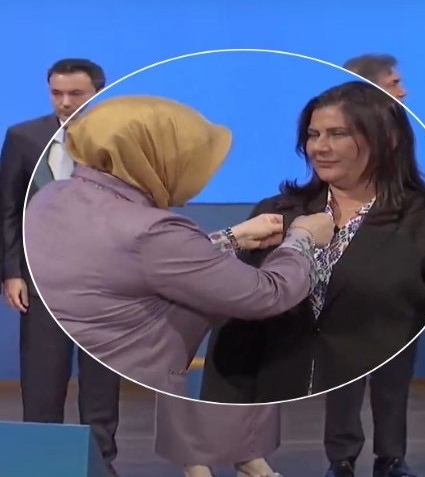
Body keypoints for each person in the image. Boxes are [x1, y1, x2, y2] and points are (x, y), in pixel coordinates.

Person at [22, 94, 335, 477]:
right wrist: (303, 238)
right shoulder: (152, 230)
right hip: (142, 351)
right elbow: (266, 294)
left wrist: (231, 238)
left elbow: (137, 262)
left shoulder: (55, 194)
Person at [199, 82, 425, 411]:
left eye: (338, 134)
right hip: (273, 405)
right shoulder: (276, 212)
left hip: (365, 404)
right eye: (313, 135)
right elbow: (238, 317)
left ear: (389, 139)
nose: (320, 147)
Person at [0, 58, 122, 475]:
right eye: (57, 93)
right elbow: (8, 209)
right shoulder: (23, 137)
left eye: (75, 93)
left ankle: (100, 463)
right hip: (41, 277)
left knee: (101, 381)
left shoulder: (123, 137)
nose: (65, 102)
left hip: (106, 281)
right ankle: (41, 462)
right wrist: (12, 272)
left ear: (98, 92)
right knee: (42, 378)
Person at [316, 53, 419, 477]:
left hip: (395, 259)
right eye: (394, 82)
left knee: (394, 376)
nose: (403, 91)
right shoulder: (332, 128)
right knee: (342, 376)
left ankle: (391, 456)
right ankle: (341, 458)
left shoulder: (401, 129)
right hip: (344, 261)